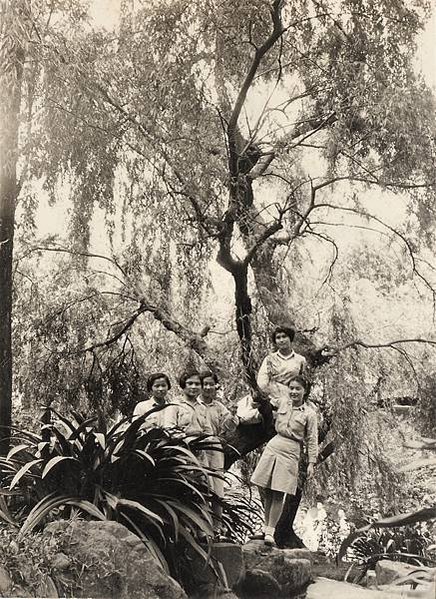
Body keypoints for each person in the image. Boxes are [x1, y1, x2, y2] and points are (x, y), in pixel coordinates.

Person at [250, 375, 318, 546]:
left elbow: (311, 438)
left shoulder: (309, 414)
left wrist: (311, 463)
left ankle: (270, 532)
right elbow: (264, 400)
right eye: (292, 388)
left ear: (305, 391)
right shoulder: (282, 402)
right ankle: (266, 529)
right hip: (274, 445)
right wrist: (256, 401)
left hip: (291, 450)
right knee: (264, 486)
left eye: (298, 389)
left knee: (279, 490)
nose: (294, 392)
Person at [197, 371, 238, 536]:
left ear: (216, 386)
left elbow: (229, 427)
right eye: (204, 384)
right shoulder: (194, 404)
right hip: (198, 449)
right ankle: (201, 528)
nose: (208, 387)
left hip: (214, 450)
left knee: (217, 489)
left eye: (211, 384)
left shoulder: (219, 407)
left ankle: (216, 528)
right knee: (201, 487)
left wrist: (233, 414)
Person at [257, 326, 307, 408]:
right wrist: (266, 397)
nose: (281, 340)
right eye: (278, 338)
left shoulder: (300, 360)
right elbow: (262, 381)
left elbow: (304, 382)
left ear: (290, 338)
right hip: (272, 395)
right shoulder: (270, 359)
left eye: (284, 336)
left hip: (291, 395)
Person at [176, 370, 212, 435]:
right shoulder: (174, 405)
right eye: (190, 384)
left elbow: (208, 430)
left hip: (202, 442)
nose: (193, 387)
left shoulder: (202, 407)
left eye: (197, 384)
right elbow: (169, 428)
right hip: (181, 442)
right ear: (183, 385)